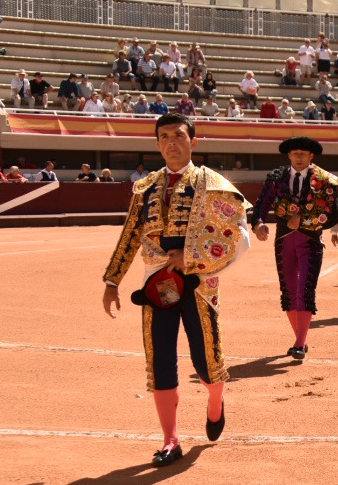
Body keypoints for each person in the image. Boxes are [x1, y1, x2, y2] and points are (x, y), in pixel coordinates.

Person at [101, 113, 251, 466]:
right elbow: (130, 235)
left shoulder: (214, 183)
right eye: (164, 136)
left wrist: (191, 256)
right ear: (157, 143)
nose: (171, 142)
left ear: (193, 141)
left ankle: (216, 402)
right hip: (156, 283)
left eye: (179, 135)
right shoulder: (146, 187)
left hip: (198, 283)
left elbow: (237, 235)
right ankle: (170, 439)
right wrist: (112, 280)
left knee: (206, 359)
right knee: (161, 360)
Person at [249, 136, 338, 360]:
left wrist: (304, 219)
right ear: (289, 156)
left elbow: (334, 216)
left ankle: (300, 343)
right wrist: (258, 223)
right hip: (283, 239)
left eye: (303, 154)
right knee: (289, 291)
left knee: (304, 290)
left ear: (311, 157)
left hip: (310, 240)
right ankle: (301, 339)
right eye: (295, 153)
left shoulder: (324, 181)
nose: (299, 157)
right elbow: (262, 203)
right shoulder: (276, 178)